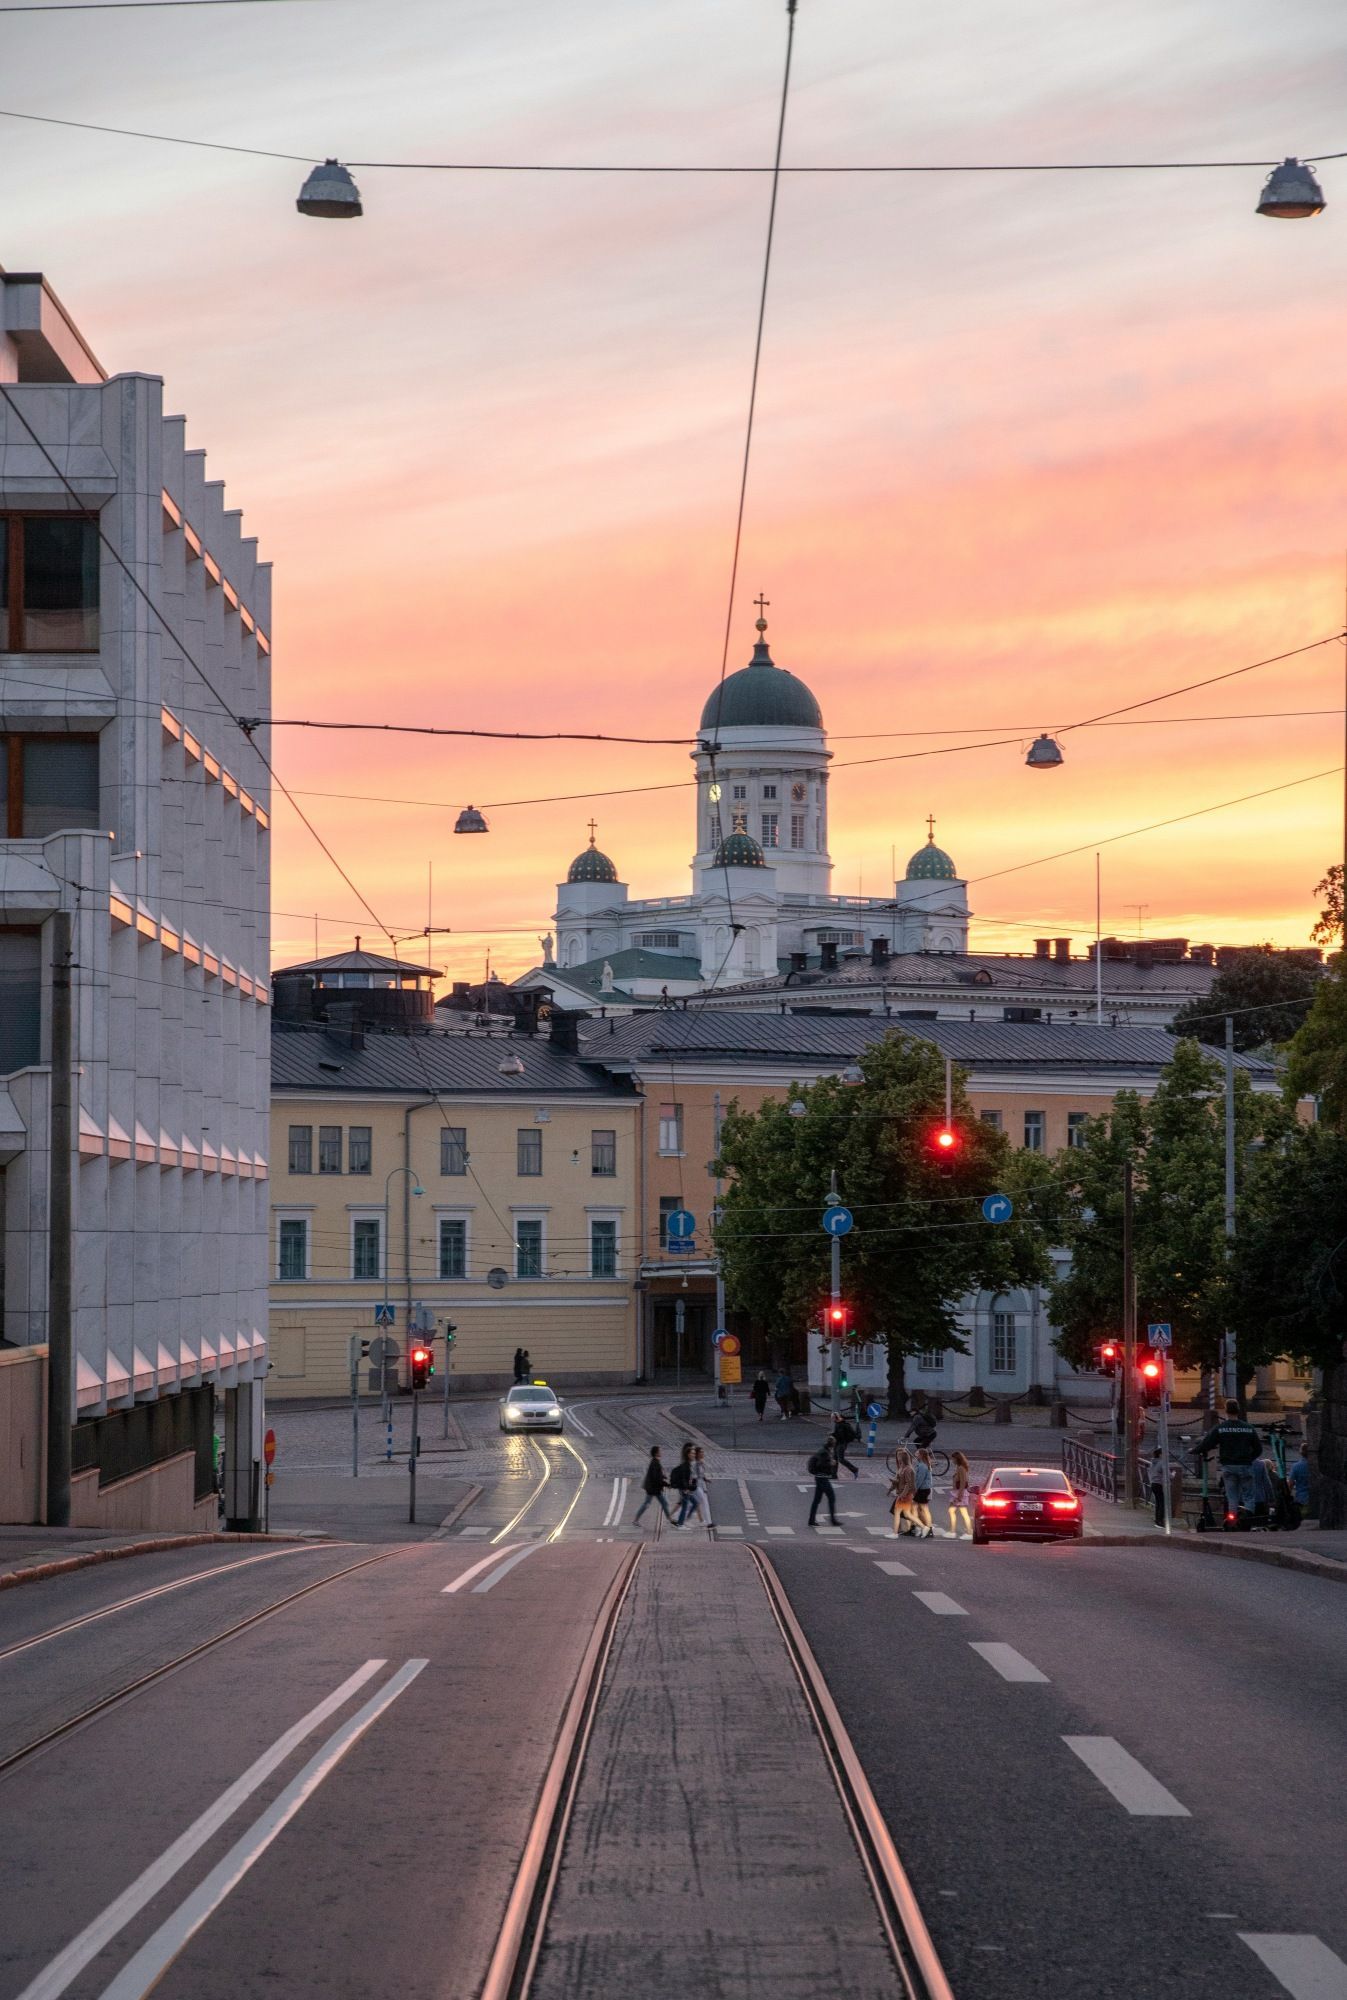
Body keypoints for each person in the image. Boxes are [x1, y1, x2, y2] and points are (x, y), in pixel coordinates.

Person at [1191, 1401, 1263, 1521]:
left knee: (1232, 1496)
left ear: (1226, 1410)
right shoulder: (1248, 1428)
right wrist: (1249, 1459)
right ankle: (1248, 1518)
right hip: (1245, 1465)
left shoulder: (1221, 1428)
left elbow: (1207, 1443)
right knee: (1249, 1495)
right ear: (1238, 1410)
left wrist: (1195, 1450)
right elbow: (1258, 1449)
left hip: (1228, 1466)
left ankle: (1232, 1519)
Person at [633, 1446, 673, 1527]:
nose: (661, 1452)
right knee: (648, 1504)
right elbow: (656, 1478)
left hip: (654, 1488)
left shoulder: (655, 1462)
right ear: (656, 1453)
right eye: (660, 1450)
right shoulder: (655, 1463)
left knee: (662, 1503)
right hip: (653, 1489)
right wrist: (666, 1484)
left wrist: (663, 1477)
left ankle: (670, 1520)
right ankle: (635, 1520)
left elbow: (657, 1475)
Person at [807, 1437, 839, 1527]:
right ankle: (833, 1520)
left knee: (816, 1500)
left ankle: (811, 1520)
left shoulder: (823, 1450)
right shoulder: (824, 1452)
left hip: (819, 1478)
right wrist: (831, 1463)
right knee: (831, 1497)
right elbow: (821, 1464)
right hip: (822, 1478)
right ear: (833, 1445)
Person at [888, 1449, 919, 1537]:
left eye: (899, 1456)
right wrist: (892, 1487)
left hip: (906, 1493)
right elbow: (899, 1480)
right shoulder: (901, 1466)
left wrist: (903, 1494)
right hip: (902, 1493)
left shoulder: (907, 1468)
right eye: (897, 1456)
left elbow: (908, 1483)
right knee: (902, 1512)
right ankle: (903, 1529)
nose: (898, 1458)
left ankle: (917, 1527)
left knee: (903, 1512)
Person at [687, 1444, 713, 1529]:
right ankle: (708, 1523)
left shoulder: (701, 1463)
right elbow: (694, 1475)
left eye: (703, 1452)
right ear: (697, 1454)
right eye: (701, 1452)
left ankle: (681, 1518)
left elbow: (701, 1475)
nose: (703, 1453)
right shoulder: (696, 1463)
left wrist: (706, 1479)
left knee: (692, 1504)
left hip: (701, 1485)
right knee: (703, 1503)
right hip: (696, 1486)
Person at [948, 1450, 973, 1538]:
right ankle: (954, 1530)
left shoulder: (961, 1468)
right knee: (957, 1512)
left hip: (959, 1492)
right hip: (958, 1492)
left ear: (956, 1459)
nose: (952, 1460)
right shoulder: (960, 1467)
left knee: (956, 1511)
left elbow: (963, 1482)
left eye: (953, 1459)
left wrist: (959, 1495)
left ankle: (955, 1531)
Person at [669, 1442, 696, 1524]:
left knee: (692, 1503)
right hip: (684, 1489)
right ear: (688, 1454)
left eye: (694, 1453)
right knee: (684, 1505)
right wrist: (686, 1488)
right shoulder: (686, 1465)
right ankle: (680, 1523)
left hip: (686, 1488)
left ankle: (681, 1521)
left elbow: (689, 1477)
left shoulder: (688, 1464)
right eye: (692, 1453)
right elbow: (684, 1478)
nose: (694, 1454)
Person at [831, 1411, 861, 1479]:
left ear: (835, 1417)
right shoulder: (838, 1423)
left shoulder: (841, 1424)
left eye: (832, 1418)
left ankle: (854, 1469)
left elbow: (840, 1436)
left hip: (841, 1444)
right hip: (838, 1443)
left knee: (841, 1459)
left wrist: (833, 1435)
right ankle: (833, 1475)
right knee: (834, 1458)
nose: (832, 1419)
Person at [912, 1450, 935, 1536]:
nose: (915, 1455)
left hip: (922, 1489)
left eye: (917, 1454)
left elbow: (919, 1479)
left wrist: (915, 1489)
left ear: (921, 1455)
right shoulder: (923, 1464)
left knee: (921, 1508)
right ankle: (924, 1527)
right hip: (923, 1489)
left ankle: (926, 1527)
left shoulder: (922, 1466)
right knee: (921, 1508)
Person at [1288, 1443, 1313, 1515]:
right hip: (1315, 1498)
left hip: (1301, 1498)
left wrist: (1288, 1496)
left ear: (1301, 1452)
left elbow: (1290, 1484)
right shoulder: (1315, 1466)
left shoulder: (1296, 1466)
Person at [1148, 1444, 1167, 1527]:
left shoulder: (1153, 1463)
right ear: (1160, 1454)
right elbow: (1168, 1475)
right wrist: (1173, 1474)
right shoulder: (1161, 1463)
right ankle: (1160, 1521)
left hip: (1153, 1484)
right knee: (1161, 1503)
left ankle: (1157, 1520)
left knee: (1158, 1503)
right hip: (1159, 1484)